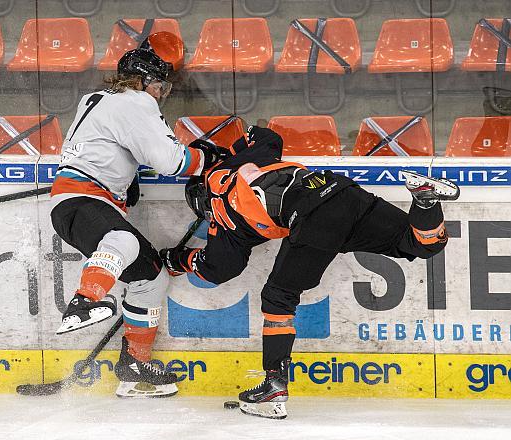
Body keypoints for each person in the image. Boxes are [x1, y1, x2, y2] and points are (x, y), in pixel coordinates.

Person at [160, 126, 460, 419]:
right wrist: (225, 152)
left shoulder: (221, 212)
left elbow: (219, 268)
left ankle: (273, 387)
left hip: (313, 218)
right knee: (421, 243)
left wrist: (177, 260)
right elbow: (266, 135)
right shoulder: (245, 160)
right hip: (341, 191)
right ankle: (425, 200)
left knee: (278, 298)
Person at [50, 42, 220, 398]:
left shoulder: (96, 99)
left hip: (79, 203)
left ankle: (134, 368)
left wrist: (128, 181)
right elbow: (170, 161)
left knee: (150, 277)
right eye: (159, 87)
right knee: (123, 240)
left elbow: (113, 148)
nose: (160, 95)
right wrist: (205, 159)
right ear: (143, 82)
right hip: (85, 200)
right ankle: (85, 300)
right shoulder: (136, 101)